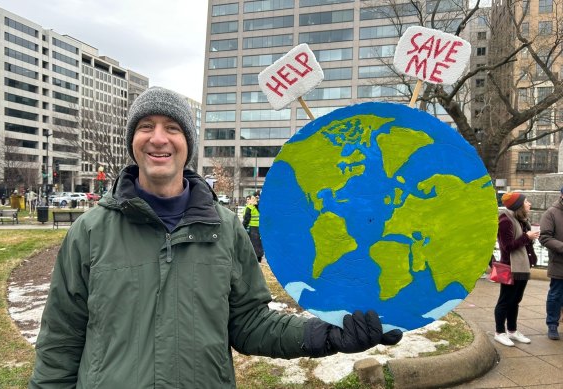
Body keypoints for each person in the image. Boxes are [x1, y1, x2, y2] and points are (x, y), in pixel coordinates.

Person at [29, 87, 402, 388]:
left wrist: (327, 334)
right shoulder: (90, 232)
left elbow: (251, 324)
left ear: (188, 143)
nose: (158, 138)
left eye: (172, 128)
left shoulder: (225, 228)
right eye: (146, 126)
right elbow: (60, 341)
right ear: (132, 140)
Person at [493, 192, 538, 347]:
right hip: (510, 267)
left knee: (515, 301)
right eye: (526, 202)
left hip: (522, 267)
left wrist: (529, 238)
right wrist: (527, 237)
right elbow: (507, 247)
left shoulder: (521, 220)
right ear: (519, 205)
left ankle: (512, 330)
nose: (529, 204)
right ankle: (500, 332)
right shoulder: (505, 221)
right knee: (505, 301)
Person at [538, 186, 563, 340]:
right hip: (559, 263)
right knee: (556, 295)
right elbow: (545, 237)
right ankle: (552, 324)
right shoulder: (551, 213)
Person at [243, 191, 264, 263]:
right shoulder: (263, 206)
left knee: (253, 244)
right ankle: (259, 260)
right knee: (259, 244)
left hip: (253, 228)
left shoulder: (250, 207)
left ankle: (253, 261)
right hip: (261, 228)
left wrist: (243, 228)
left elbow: (246, 220)